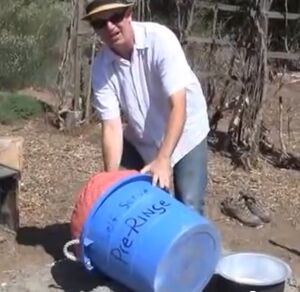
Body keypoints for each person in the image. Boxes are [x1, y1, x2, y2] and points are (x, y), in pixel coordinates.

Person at [83, 0, 210, 215]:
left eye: (115, 18)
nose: (110, 27)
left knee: (188, 205)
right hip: (143, 139)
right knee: (140, 201)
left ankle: (196, 246)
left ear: (129, 14)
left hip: (186, 132)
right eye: (100, 23)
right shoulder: (101, 67)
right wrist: (111, 180)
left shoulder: (160, 40)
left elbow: (178, 106)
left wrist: (163, 159)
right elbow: (112, 127)